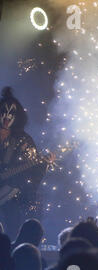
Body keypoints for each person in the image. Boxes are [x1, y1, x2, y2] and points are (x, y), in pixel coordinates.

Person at [0, 87, 54, 239]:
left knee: (12, 227)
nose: (7, 117)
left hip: (12, 198)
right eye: (4, 112)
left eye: (11, 113)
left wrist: (44, 163)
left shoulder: (24, 140)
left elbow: (33, 171)